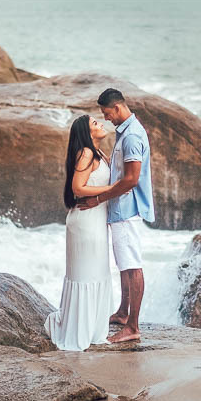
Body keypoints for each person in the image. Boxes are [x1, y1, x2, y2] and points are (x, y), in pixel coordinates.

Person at [77, 88, 155, 344]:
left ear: (117, 108)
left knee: (132, 266)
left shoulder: (131, 136)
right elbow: (121, 170)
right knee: (124, 264)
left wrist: (99, 198)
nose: (106, 118)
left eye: (106, 113)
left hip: (127, 210)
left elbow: (131, 179)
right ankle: (123, 313)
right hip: (121, 209)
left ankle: (133, 326)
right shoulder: (126, 132)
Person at [43, 114, 115, 351]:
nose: (100, 124)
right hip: (86, 222)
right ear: (86, 132)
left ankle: (91, 329)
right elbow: (77, 187)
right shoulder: (86, 153)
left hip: (94, 220)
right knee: (86, 275)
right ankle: (78, 331)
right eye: (95, 123)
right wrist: (111, 189)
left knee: (96, 272)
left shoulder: (97, 152)